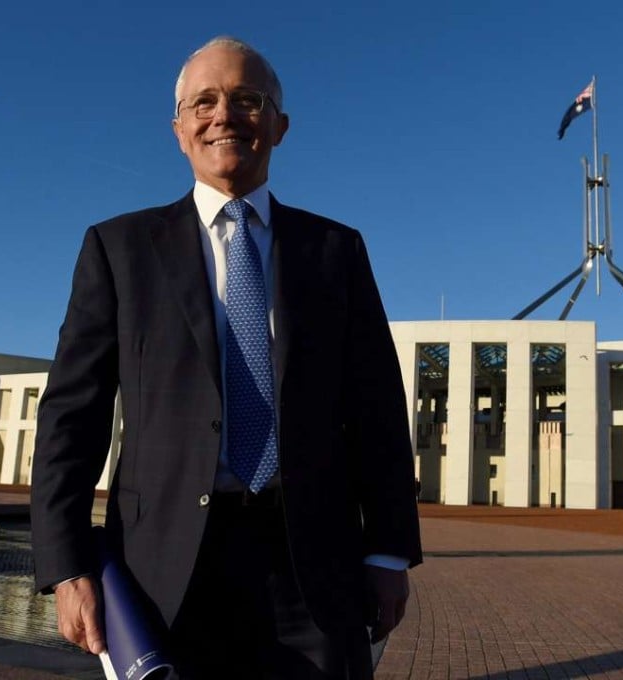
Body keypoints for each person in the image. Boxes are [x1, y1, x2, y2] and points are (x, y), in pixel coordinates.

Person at [29, 36, 422, 679]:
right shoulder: (118, 249)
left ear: (279, 125)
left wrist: (387, 554)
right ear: (179, 127)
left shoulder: (336, 251)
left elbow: (376, 409)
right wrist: (67, 566)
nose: (224, 115)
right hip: (163, 575)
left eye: (247, 99)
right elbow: (73, 415)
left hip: (312, 569)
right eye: (204, 101)